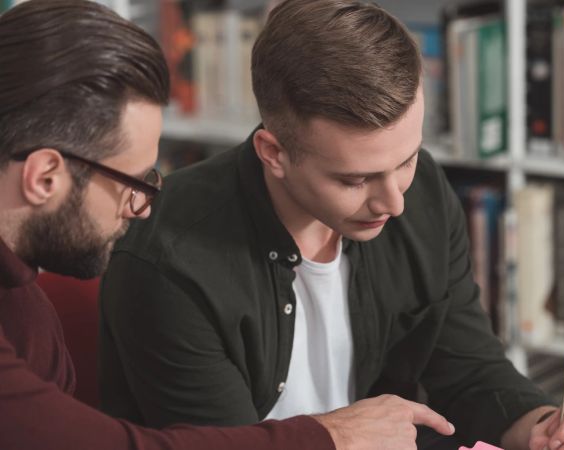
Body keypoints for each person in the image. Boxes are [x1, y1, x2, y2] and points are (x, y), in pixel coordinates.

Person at [99, 0, 564, 449]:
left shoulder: (424, 191)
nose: (395, 202)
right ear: (273, 153)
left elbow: (466, 366)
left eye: (407, 159)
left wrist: (543, 426)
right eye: (354, 179)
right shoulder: (166, 259)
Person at [0, 1, 454, 449]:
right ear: (44, 177)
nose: (141, 208)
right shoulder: (159, 260)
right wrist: (331, 436)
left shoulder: (25, 307)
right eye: (132, 182)